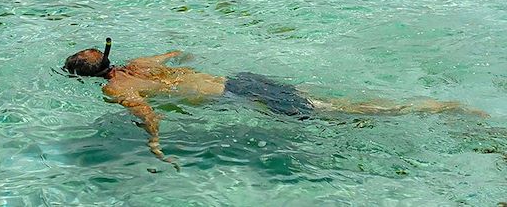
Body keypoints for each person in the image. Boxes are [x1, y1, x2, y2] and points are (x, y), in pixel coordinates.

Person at [63, 38, 487, 170]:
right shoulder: (139, 62)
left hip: (238, 96)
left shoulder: (116, 89)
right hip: (241, 79)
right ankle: (425, 107)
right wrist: (184, 59)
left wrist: (155, 145)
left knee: (337, 113)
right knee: (331, 106)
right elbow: (176, 54)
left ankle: (433, 108)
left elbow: (146, 114)